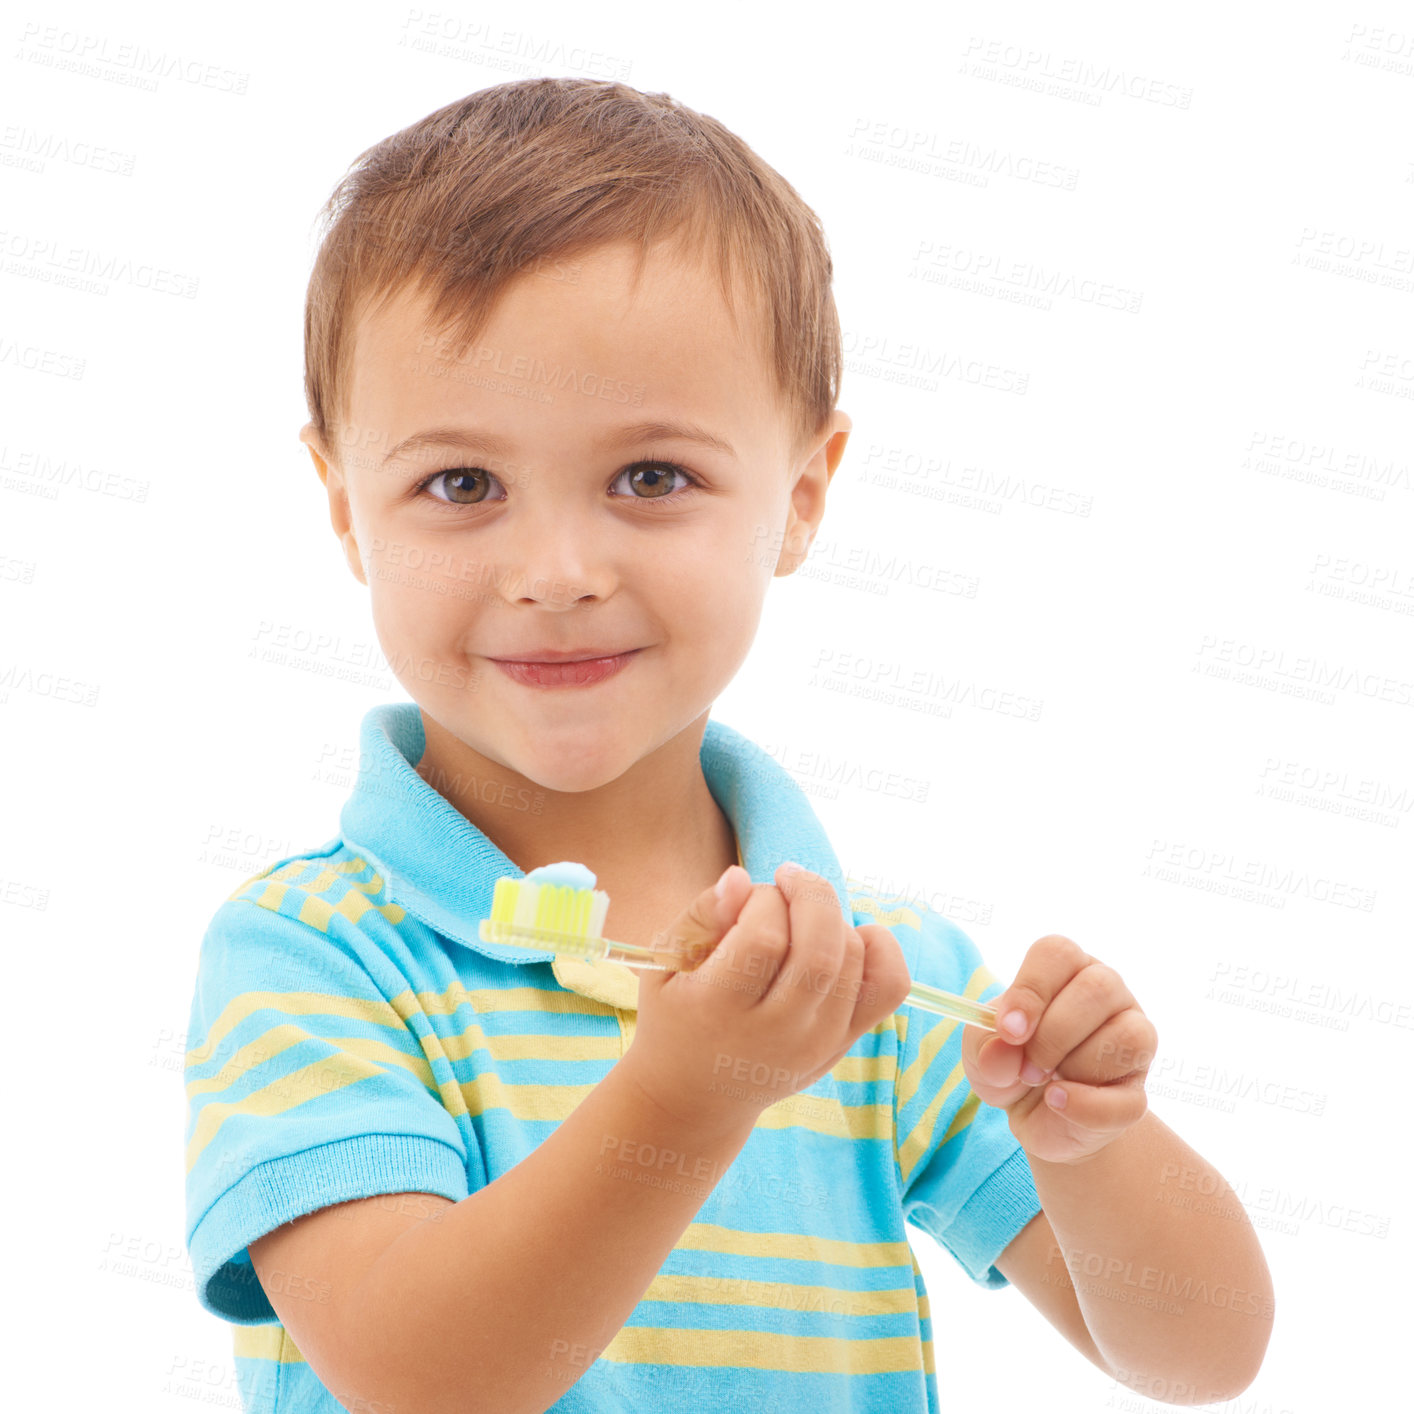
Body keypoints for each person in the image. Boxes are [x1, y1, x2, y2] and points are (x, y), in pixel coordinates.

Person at [181, 76, 1273, 1414]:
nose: (558, 568)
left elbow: (1199, 1355)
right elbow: (422, 1380)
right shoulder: (315, 952)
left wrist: (1098, 1146)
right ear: (346, 510)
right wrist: (686, 1100)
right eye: (459, 484)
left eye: (651, 478)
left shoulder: (876, 974)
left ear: (801, 496)